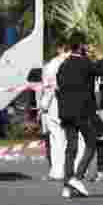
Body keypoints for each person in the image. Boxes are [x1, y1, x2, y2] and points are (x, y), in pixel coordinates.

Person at [56, 33, 103, 198]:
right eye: (86, 45)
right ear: (82, 46)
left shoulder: (63, 65)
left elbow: (59, 87)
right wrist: (102, 57)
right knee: (91, 143)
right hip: (82, 112)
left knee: (71, 148)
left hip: (65, 113)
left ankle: (67, 185)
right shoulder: (85, 63)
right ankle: (77, 177)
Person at [38, 43, 70, 181]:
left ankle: (57, 170)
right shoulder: (72, 63)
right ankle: (66, 169)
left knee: (56, 138)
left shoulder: (52, 65)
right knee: (67, 138)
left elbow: (49, 88)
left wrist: (43, 105)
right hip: (70, 103)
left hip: (54, 105)